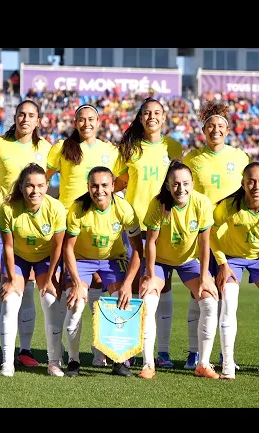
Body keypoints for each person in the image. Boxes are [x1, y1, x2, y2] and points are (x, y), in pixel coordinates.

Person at [0, 100, 52, 369]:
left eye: (31, 115)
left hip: (31, 226)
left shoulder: (46, 149)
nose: (25, 119)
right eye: (21, 114)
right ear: (15, 117)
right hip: (0, 224)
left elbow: (46, 184)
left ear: (38, 120)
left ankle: (25, 350)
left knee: (27, 286)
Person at [46, 104, 121, 367]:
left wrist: (104, 203)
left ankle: (99, 350)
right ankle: (59, 352)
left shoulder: (110, 151)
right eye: (81, 119)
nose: (86, 123)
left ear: (99, 122)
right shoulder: (62, 148)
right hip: (68, 224)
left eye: (91, 119)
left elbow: (121, 180)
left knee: (99, 283)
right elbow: (44, 177)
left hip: (99, 224)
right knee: (66, 287)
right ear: (75, 122)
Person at [114, 97, 183, 369]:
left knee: (162, 287)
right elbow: (118, 182)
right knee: (132, 286)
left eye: (157, 112)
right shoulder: (129, 148)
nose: (152, 116)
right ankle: (130, 349)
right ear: (140, 117)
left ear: (163, 117)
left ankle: (162, 352)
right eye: (147, 113)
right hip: (135, 225)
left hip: (165, 225)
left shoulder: (173, 147)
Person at [182, 99, 249, 370]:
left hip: (231, 237)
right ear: (203, 130)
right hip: (201, 235)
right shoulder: (192, 158)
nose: (216, 130)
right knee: (199, 294)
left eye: (221, 126)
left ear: (228, 130)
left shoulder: (240, 157)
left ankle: (223, 354)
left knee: (226, 295)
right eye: (210, 126)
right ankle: (193, 353)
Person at [138, 161, 219, 380]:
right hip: (160, 261)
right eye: (175, 184)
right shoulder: (158, 204)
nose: (180, 188)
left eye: (185, 183)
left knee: (210, 301)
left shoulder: (201, 203)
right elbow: (151, 242)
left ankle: (203, 364)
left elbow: (205, 243)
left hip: (188, 261)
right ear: (168, 185)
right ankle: (148, 364)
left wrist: (204, 277)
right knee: (148, 301)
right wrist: (150, 276)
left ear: (192, 184)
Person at [62, 166, 143, 377]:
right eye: (94, 186)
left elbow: (138, 249)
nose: (99, 191)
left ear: (113, 186)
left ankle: (119, 361)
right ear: (88, 187)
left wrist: (127, 284)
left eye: (105, 185)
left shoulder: (125, 209)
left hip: (112, 260)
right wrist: (77, 283)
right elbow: (68, 248)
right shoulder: (78, 208)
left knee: (121, 302)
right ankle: (73, 361)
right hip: (82, 260)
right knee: (76, 306)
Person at [210, 162, 259, 380]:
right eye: (251, 182)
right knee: (229, 301)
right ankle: (228, 364)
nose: (256, 186)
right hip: (232, 259)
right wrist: (222, 264)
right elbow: (211, 232)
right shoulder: (228, 206)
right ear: (243, 183)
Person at [0, 163, 66, 377]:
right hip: (18, 258)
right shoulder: (7, 208)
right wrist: (11, 279)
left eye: (40, 185)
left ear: (47, 186)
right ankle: (7, 362)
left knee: (50, 300)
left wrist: (51, 278)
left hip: (46, 258)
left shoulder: (56, 208)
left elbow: (57, 247)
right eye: (29, 185)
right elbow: (8, 247)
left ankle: (54, 362)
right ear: (21, 187)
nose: (35, 191)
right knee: (10, 301)